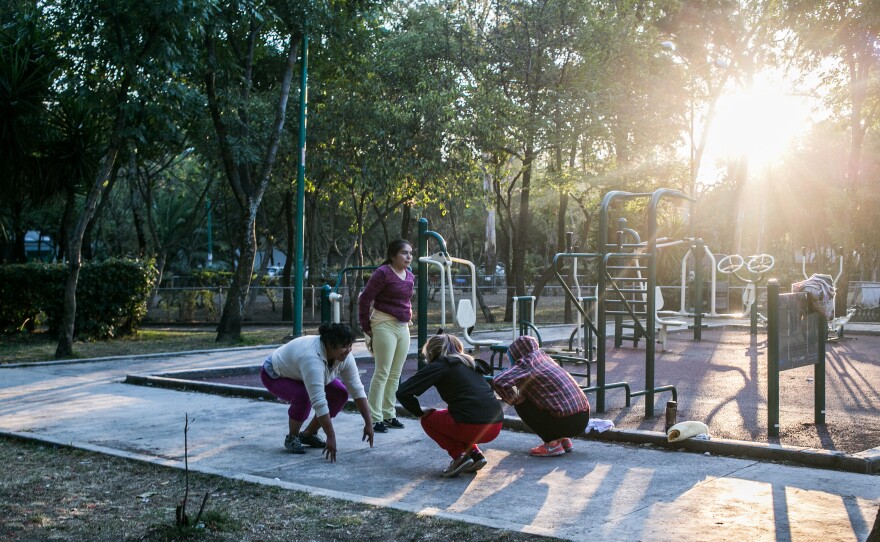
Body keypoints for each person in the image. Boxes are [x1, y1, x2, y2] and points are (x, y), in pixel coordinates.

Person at [260, 323, 374, 462]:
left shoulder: (345, 356)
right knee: (304, 397)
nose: (348, 350)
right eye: (344, 346)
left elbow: (357, 389)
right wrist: (331, 437)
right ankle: (292, 437)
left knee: (340, 394)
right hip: (275, 373)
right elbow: (319, 401)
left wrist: (369, 423)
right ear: (329, 345)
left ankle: (308, 434)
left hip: (300, 373)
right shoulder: (311, 357)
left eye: (350, 345)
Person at [396, 333, 504, 478]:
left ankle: (459, 456)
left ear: (431, 352)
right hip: (496, 425)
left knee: (428, 419)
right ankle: (476, 455)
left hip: (472, 426)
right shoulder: (470, 363)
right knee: (453, 416)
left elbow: (403, 392)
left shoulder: (440, 365)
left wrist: (419, 412)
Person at [491, 335, 590, 457]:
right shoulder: (544, 358)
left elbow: (499, 381)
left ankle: (552, 444)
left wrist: (516, 397)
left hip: (564, 422)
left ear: (516, 353)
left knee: (521, 402)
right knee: (543, 398)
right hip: (583, 418)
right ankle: (563, 440)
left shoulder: (526, 362)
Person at [358, 239, 415, 434]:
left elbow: (406, 300)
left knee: (396, 374)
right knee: (382, 372)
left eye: (410, 253)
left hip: (402, 326)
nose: (408, 256)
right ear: (393, 255)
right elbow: (365, 299)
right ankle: (375, 418)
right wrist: (367, 327)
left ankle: (389, 414)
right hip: (383, 323)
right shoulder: (382, 273)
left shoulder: (410, 276)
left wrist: (409, 314)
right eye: (404, 253)